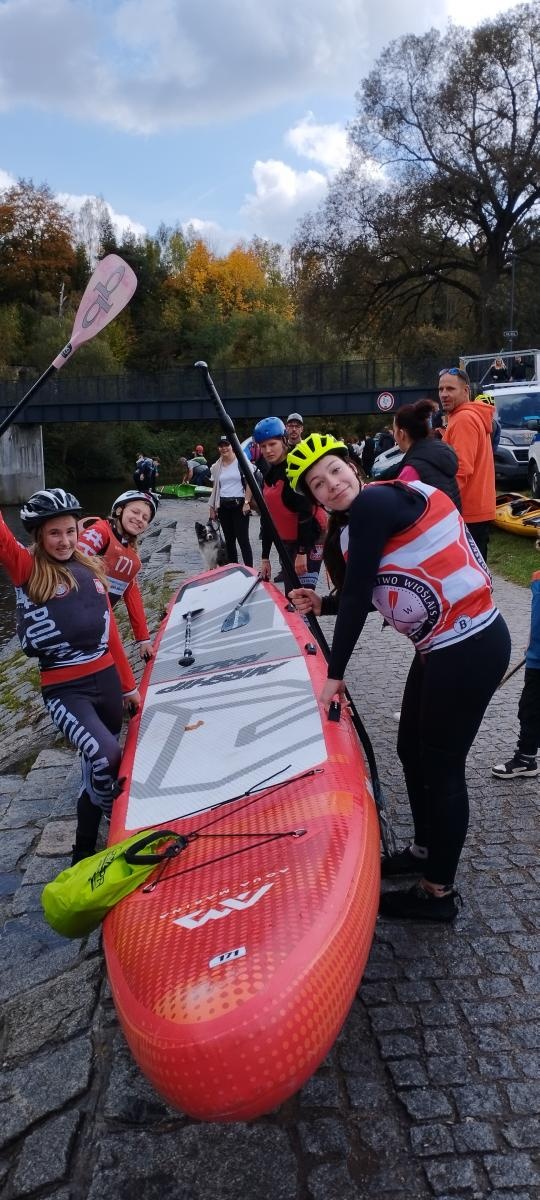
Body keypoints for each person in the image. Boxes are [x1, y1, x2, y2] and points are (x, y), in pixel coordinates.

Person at [286, 434, 511, 922]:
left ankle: (438, 895)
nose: (332, 486)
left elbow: (358, 592)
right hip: (441, 649)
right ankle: (424, 848)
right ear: (315, 499)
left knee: (443, 766)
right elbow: (367, 591)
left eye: (336, 472)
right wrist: (321, 605)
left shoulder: (375, 499)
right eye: (319, 486)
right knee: (410, 747)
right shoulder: (363, 519)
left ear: (355, 467)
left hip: (469, 646)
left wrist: (335, 673)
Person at [0, 488, 140, 865]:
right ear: (39, 537)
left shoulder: (93, 568)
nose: (64, 541)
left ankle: (82, 850)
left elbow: (109, 633)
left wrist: (129, 686)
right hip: (66, 690)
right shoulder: (27, 569)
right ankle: (118, 826)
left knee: (93, 771)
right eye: (54, 534)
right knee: (106, 756)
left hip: (107, 682)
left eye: (70, 531)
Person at [78, 490, 156, 661]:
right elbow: (70, 565)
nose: (139, 519)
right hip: (76, 615)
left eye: (145, 518)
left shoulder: (131, 557)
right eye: (135, 512)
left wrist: (144, 639)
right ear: (120, 510)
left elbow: (132, 596)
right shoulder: (100, 531)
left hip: (95, 620)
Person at [248, 416, 326, 588]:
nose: (268, 450)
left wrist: (301, 552)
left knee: (302, 597)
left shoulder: (295, 469)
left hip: (310, 540)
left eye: (272, 444)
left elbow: (306, 514)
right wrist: (265, 557)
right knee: (291, 596)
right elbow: (268, 518)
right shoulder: (269, 474)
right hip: (289, 542)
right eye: (263, 446)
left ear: (283, 441)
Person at [492, 539, 539, 778]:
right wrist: (531, 642)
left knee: (531, 708)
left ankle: (525, 758)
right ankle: (527, 757)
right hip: (536, 657)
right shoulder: (538, 577)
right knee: (529, 708)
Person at [439, 367, 496, 560]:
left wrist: (440, 507)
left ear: (465, 391)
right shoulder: (467, 416)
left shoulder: (463, 419)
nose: (444, 394)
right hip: (475, 510)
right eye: (441, 389)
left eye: (450, 389)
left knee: (468, 583)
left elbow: (460, 469)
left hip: (466, 512)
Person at [391, 399, 461, 508]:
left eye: (394, 430)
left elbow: (402, 510)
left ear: (401, 434)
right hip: (452, 521)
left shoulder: (412, 470)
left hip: (432, 524)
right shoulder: (439, 450)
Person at [209, 436, 253, 566]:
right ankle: (233, 569)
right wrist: (212, 508)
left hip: (239, 504)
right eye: (221, 446)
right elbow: (215, 487)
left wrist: (247, 502)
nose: (223, 448)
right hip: (223, 505)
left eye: (226, 445)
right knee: (229, 540)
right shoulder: (217, 466)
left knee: (243, 539)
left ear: (232, 446)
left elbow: (250, 482)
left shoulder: (241, 461)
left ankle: (250, 570)